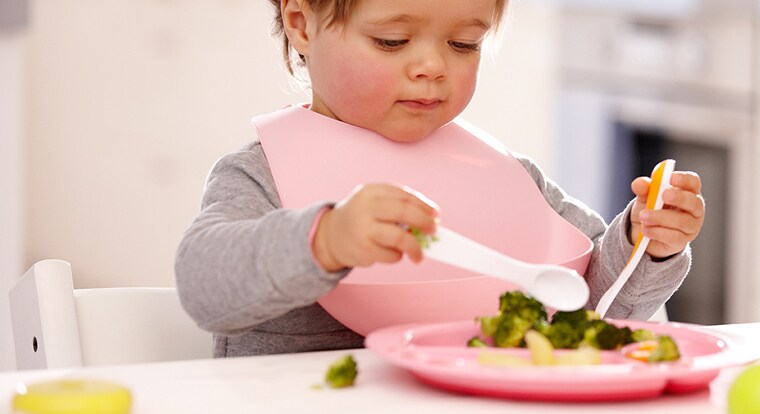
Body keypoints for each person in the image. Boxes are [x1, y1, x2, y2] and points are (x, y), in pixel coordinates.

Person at [175, 0, 705, 357]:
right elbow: (205, 288)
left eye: (463, 45)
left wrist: (644, 245)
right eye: (391, 40)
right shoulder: (264, 174)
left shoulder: (506, 176)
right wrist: (324, 240)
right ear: (301, 23)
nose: (432, 66)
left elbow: (589, 301)